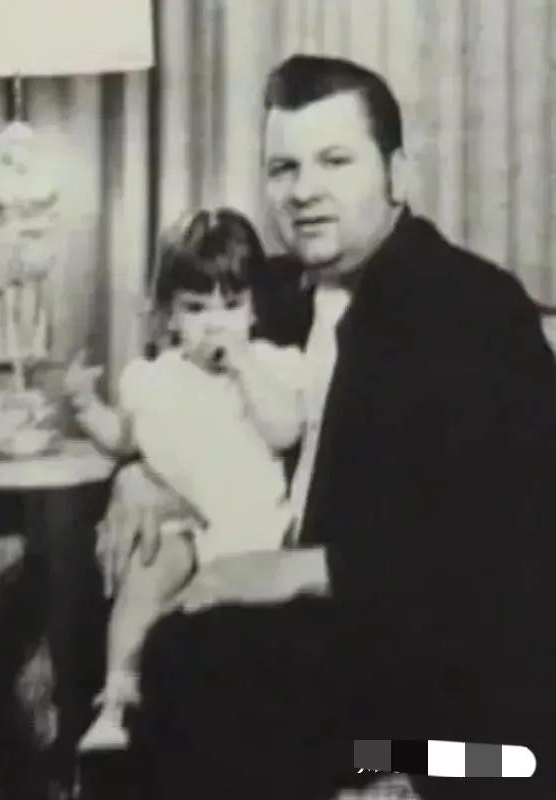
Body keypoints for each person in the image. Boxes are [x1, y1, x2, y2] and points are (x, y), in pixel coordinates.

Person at [99, 55, 556, 800]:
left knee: (196, 669)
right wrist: (143, 477)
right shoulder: (266, 299)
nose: (303, 190)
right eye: (284, 168)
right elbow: (197, 407)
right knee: (178, 659)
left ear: (397, 174)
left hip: (470, 733)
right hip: (326, 663)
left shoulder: (473, 308)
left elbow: (511, 552)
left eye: (335, 161)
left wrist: (305, 569)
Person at [63, 208, 303, 752]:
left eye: (231, 305)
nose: (215, 324)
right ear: (169, 317)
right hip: (180, 525)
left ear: (254, 309)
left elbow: (285, 428)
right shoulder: (153, 379)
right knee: (142, 579)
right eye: (196, 309)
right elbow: (122, 439)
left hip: (252, 528)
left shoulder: (271, 366)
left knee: (217, 633)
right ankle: (117, 697)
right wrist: (84, 406)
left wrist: (244, 365)